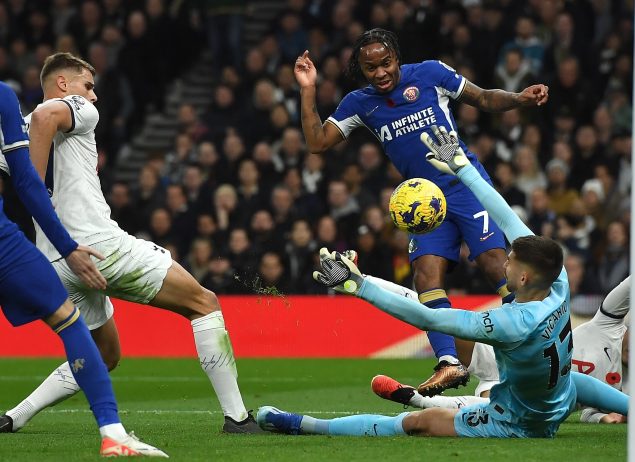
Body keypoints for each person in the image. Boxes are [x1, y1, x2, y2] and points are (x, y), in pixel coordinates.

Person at [254, 126, 635, 439]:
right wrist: (464, 168)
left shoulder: (510, 322)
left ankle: (306, 425)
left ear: (523, 276)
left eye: (510, 260)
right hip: (557, 397)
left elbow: (431, 320)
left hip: (521, 422)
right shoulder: (558, 282)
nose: (503, 261)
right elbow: (505, 216)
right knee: (570, 384)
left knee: (415, 425)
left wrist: (359, 286)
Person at [0, 52, 258, 434]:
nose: (94, 96)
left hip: (56, 261)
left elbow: (17, 155)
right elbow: (44, 116)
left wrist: (30, 187)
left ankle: (13, 417)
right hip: (98, 247)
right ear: (63, 84)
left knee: (104, 354)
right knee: (204, 303)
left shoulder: (15, 135)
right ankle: (238, 419)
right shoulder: (76, 110)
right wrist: (34, 182)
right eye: (88, 85)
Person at [294, 28, 550, 396]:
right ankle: (450, 363)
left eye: (386, 63)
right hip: (426, 203)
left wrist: (519, 99)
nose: (380, 73)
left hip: (466, 185)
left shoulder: (430, 73)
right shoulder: (359, 103)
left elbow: (484, 98)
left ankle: (535, 351)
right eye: (371, 68)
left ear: (397, 57)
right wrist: (307, 90)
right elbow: (317, 142)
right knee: (426, 276)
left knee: (497, 262)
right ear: (361, 70)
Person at [369, 252, 635, 427]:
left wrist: (605, 420)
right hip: (508, 350)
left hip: (525, 389)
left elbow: (589, 411)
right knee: (435, 316)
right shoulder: (609, 325)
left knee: (482, 413)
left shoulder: (628, 387)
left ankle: (413, 398)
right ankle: (361, 280)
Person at [0, 81, 165, 456]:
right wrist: (68, 247)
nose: (94, 95)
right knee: (69, 321)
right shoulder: (6, 97)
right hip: (7, 242)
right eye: (89, 86)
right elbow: (27, 182)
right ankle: (113, 433)